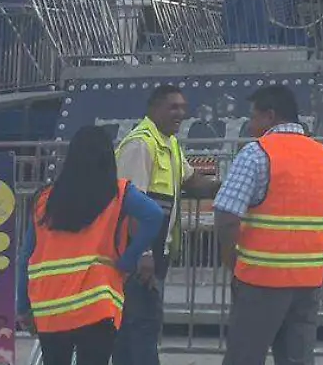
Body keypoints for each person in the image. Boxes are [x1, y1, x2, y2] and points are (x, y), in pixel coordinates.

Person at [213, 84, 323, 365]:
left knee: (245, 356)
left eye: (253, 117)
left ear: (270, 116)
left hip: (260, 280)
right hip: (308, 281)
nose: (251, 125)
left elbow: (227, 214)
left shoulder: (257, 153)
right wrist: (319, 253)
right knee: (297, 358)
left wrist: (232, 261)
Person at [20, 124, 168, 365]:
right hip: (96, 304)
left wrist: (23, 306)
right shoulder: (118, 193)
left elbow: (26, 255)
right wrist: (128, 260)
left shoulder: (45, 198)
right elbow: (154, 215)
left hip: (50, 304)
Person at [116, 84, 223, 365]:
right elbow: (131, 204)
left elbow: (191, 181)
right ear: (154, 109)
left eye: (183, 108)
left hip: (154, 254)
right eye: (173, 107)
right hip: (138, 257)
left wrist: (227, 187)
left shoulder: (169, 143)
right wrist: (144, 254)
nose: (181, 113)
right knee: (142, 327)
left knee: (136, 329)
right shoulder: (140, 145)